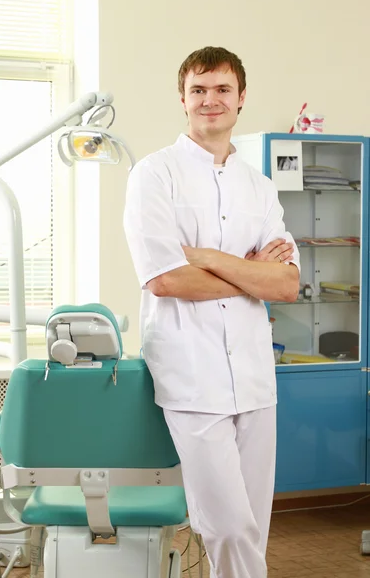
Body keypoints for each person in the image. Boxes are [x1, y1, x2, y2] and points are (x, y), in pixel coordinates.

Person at [123, 46, 300, 578]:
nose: (210, 100)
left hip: (253, 377)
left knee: (253, 523)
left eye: (222, 89)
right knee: (225, 525)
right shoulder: (154, 175)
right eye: (198, 90)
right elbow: (166, 278)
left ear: (241, 98)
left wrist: (210, 259)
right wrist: (249, 273)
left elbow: (288, 284)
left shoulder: (259, 188)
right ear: (182, 99)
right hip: (191, 375)